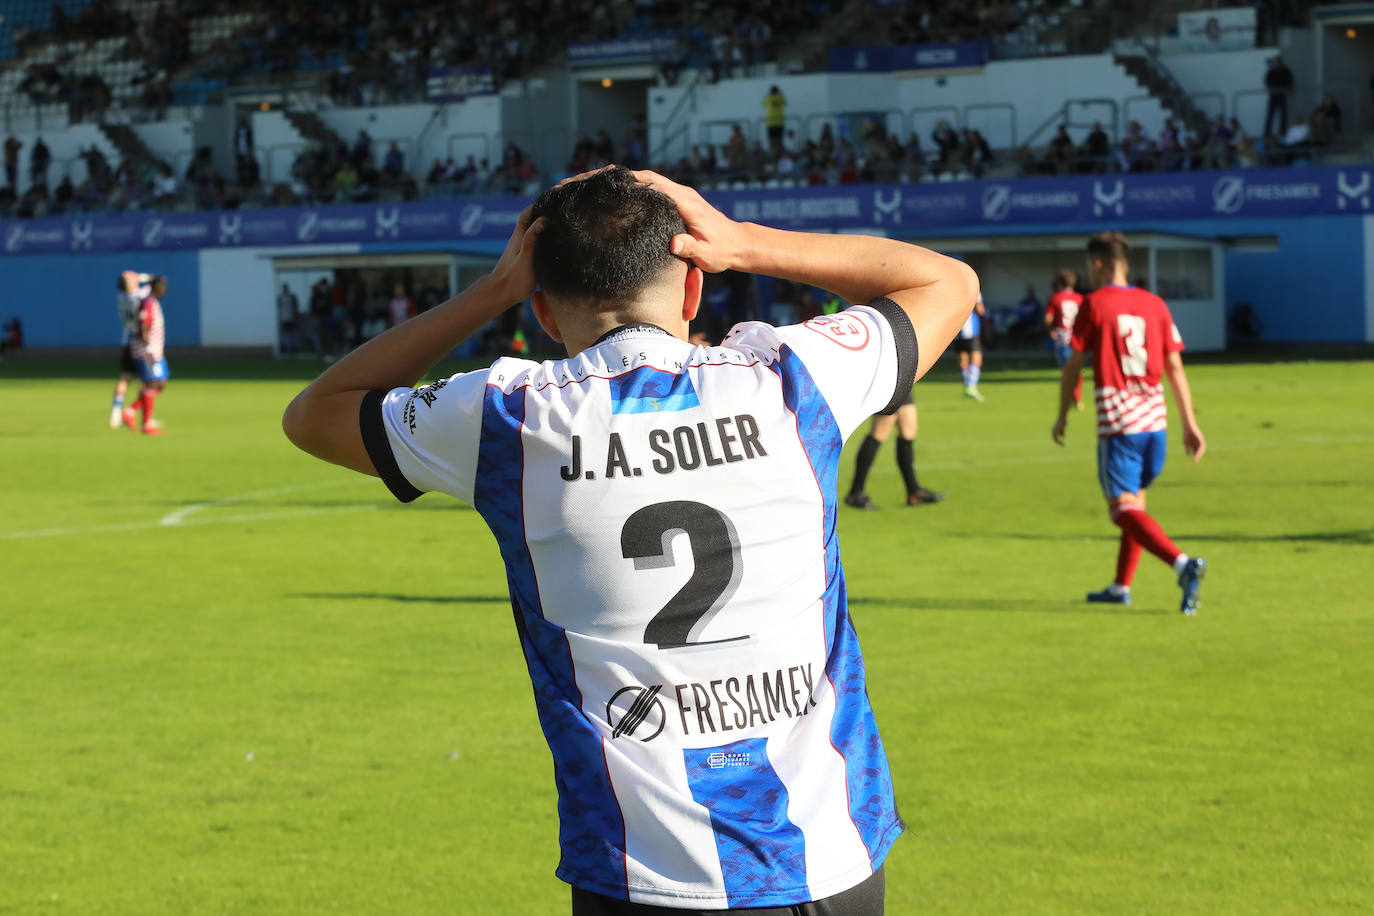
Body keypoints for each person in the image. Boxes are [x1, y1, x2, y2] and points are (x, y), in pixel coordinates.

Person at [282, 166, 978, 914]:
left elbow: (317, 413)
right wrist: (744, 243)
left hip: (637, 875)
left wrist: (490, 294)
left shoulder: (507, 420)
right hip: (825, 855)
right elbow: (948, 283)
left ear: (543, 312)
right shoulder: (792, 376)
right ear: (693, 288)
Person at [1051, 232, 1207, 614]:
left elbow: (1074, 364)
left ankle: (1183, 565)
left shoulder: (1094, 304)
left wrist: (1062, 413)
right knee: (1136, 505)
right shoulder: (1155, 304)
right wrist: (1190, 423)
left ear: (1099, 263)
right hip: (1156, 422)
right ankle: (1121, 586)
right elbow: (1175, 367)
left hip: (1120, 422)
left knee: (1122, 510)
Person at [843, 397, 944, 509]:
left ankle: (914, 491)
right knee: (879, 432)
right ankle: (855, 492)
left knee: (908, 431)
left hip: (905, 384)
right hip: (891, 385)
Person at [121, 275, 170, 435]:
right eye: (163, 287)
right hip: (147, 351)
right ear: (157, 288)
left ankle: (130, 411)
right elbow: (144, 325)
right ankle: (147, 424)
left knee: (160, 382)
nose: (165, 290)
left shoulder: (152, 301)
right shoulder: (147, 302)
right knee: (151, 383)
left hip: (155, 350)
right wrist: (148, 349)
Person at [110, 270, 151, 428]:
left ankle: (116, 412)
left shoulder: (121, 297)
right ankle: (138, 414)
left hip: (126, 341)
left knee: (125, 378)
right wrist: (141, 277)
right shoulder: (139, 295)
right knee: (148, 381)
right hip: (139, 342)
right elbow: (153, 282)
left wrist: (132, 278)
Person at [1044, 269, 1083, 411]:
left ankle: (1072, 398)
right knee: (1075, 368)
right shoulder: (1080, 298)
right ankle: (1076, 397)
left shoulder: (1056, 298)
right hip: (1077, 338)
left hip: (1062, 337)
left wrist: (1051, 331)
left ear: (1059, 283)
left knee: (1067, 370)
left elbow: (1048, 319)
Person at [955, 291, 986, 401]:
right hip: (971, 329)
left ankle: (967, 387)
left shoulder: (954, 288)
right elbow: (980, 310)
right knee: (976, 357)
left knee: (963, 357)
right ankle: (971, 386)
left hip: (956, 329)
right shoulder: (973, 287)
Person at [1263, 56, 1294, 139]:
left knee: (1283, 114)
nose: (1277, 63)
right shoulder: (1271, 71)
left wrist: (1287, 89)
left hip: (1282, 95)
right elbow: (1266, 82)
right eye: (1276, 62)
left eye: (1278, 61)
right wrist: (1271, 90)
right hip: (1273, 95)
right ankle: (1267, 133)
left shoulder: (1286, 70)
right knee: (1270, 114)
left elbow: (1290, 81)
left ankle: (1283, 132)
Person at [763, 85, 786, 153]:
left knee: (772, 141)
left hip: (771, 122)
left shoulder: (768, 98)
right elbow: (785, 103)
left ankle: (773, 153)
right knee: (779, 141)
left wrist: (768, 94)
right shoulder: (781, 98)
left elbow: (764, 103)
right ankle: (779, 153)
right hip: (780, 122)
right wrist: (780, 94)